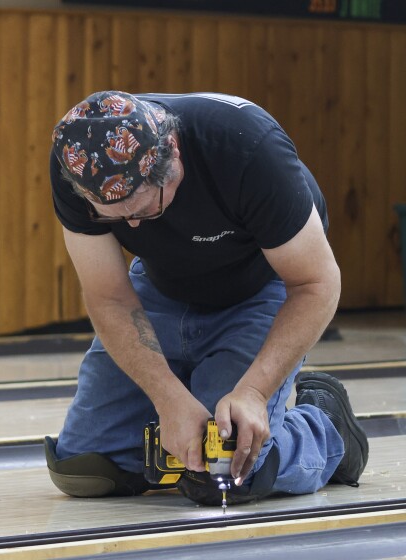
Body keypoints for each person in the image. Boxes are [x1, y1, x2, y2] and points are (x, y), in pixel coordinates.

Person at [45, 91, 369, 506]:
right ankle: (193, 408)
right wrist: (168, 399)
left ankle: (325, 424)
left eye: (145, 210)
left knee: (231, 470)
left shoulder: (247, 150)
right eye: (116, 217)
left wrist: (252, 392)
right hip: (161, 282)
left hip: (260, 283)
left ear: (173, 154)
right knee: (85, 469)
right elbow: (109, 297)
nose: (133, 224)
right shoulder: (76, 164)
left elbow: (316, 284)